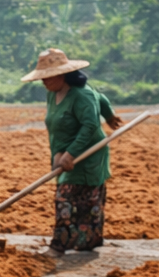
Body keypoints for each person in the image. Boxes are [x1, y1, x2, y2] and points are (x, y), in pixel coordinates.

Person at [21, 48, 112, 256]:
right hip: (65, 153)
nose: (43, 81)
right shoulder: (52, 95)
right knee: (74, 198)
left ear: (62, 75)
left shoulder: (82, 95)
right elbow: (57, 127)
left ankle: (59, 246)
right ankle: (81, 243)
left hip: (88, 154)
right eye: (42, 77)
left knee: (71, 198)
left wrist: (70, 154)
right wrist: (57, 154)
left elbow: (90, 125)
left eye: (48, 77)